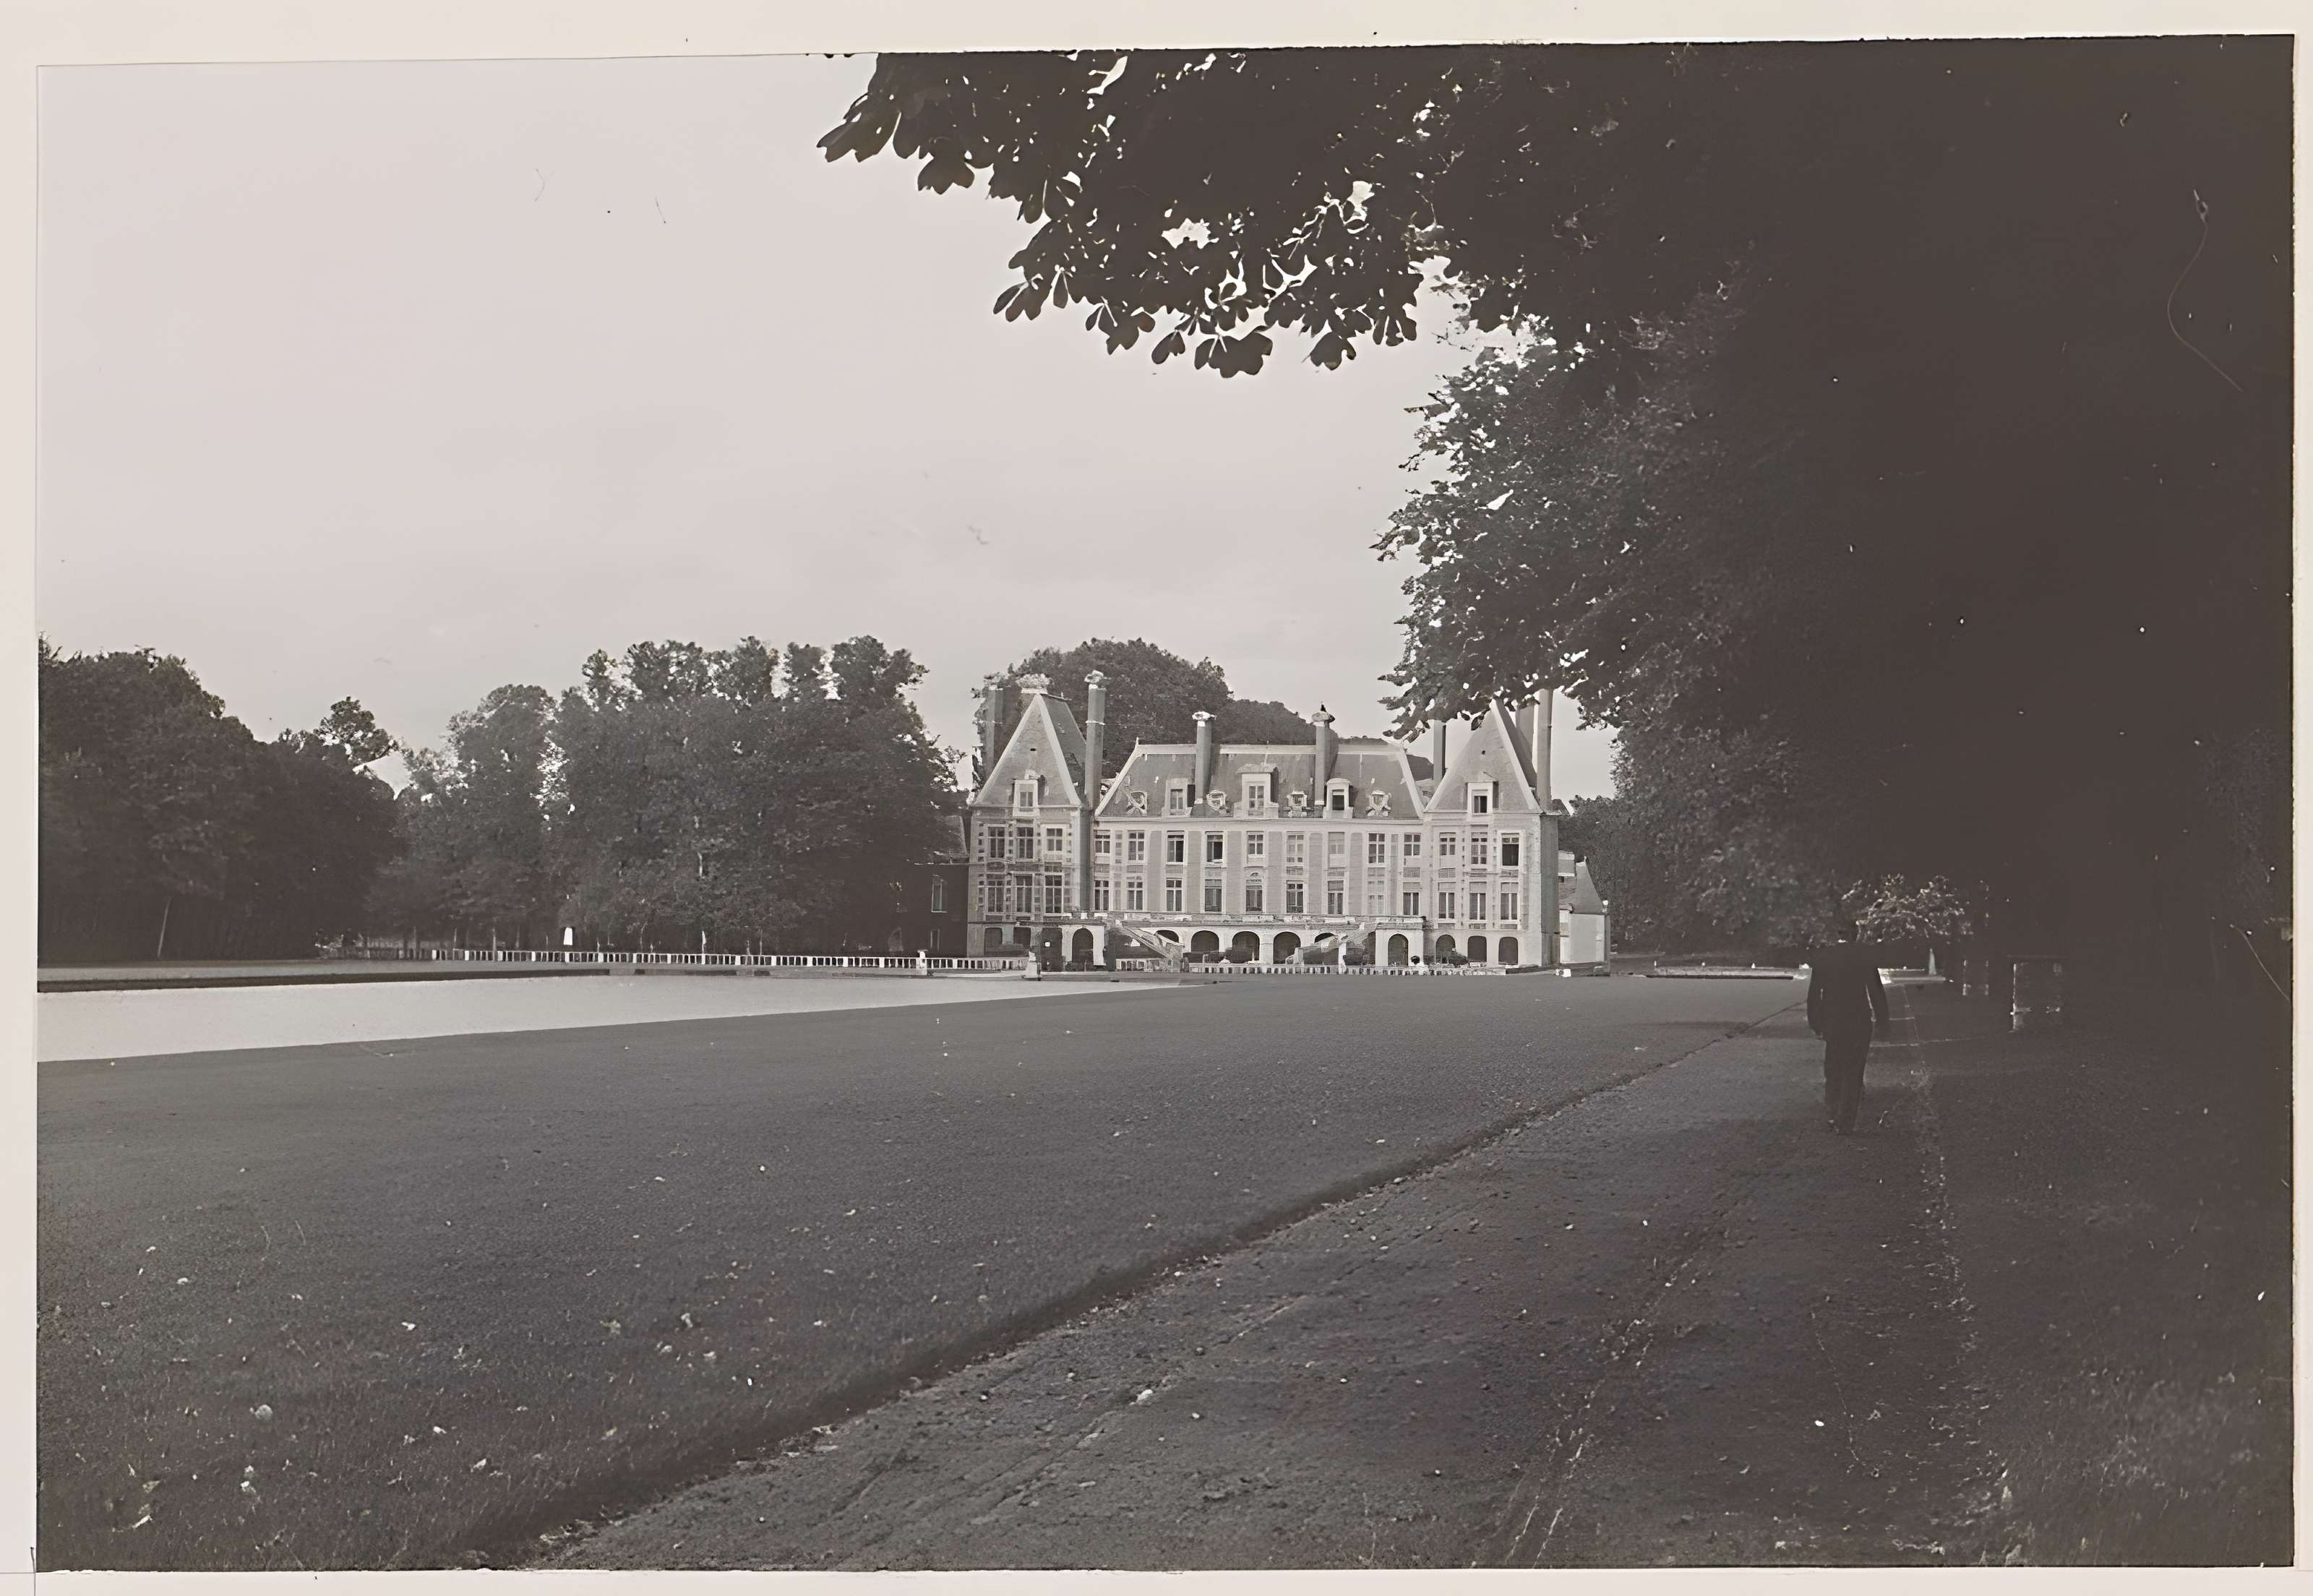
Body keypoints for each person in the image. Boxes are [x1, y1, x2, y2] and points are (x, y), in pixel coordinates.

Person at [1807, 919, 1890, 1134]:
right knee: (1854, 1072)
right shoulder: (1864, 956)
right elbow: (1876, 991)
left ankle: (1833, 1112)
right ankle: (1846, 1120)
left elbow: (1815, 994)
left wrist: (1816, 1022)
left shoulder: (1824, 957)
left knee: (1834, 1068)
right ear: (1856, 934)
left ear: (1837, 934)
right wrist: (1883, 1022)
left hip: (1833, 1020)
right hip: (1859, 1020)